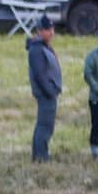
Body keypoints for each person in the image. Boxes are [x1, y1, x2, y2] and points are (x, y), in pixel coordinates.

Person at [29, 21, 62, 162]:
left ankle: (39, 154)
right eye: (48, 30)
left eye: (52, 29)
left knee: (45, 125)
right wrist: (49, 91)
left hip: (49, 92)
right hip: (46, 93)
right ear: (40, 31)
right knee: (45, 126)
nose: (52, 33)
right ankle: (41, 156)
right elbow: (39, 74)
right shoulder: (37, 50)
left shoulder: (42, 46)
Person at [85, 27, 98, 157]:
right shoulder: (93, 56)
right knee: (97, 124)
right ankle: (95, 150)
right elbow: (88, 75)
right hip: (96, 98)